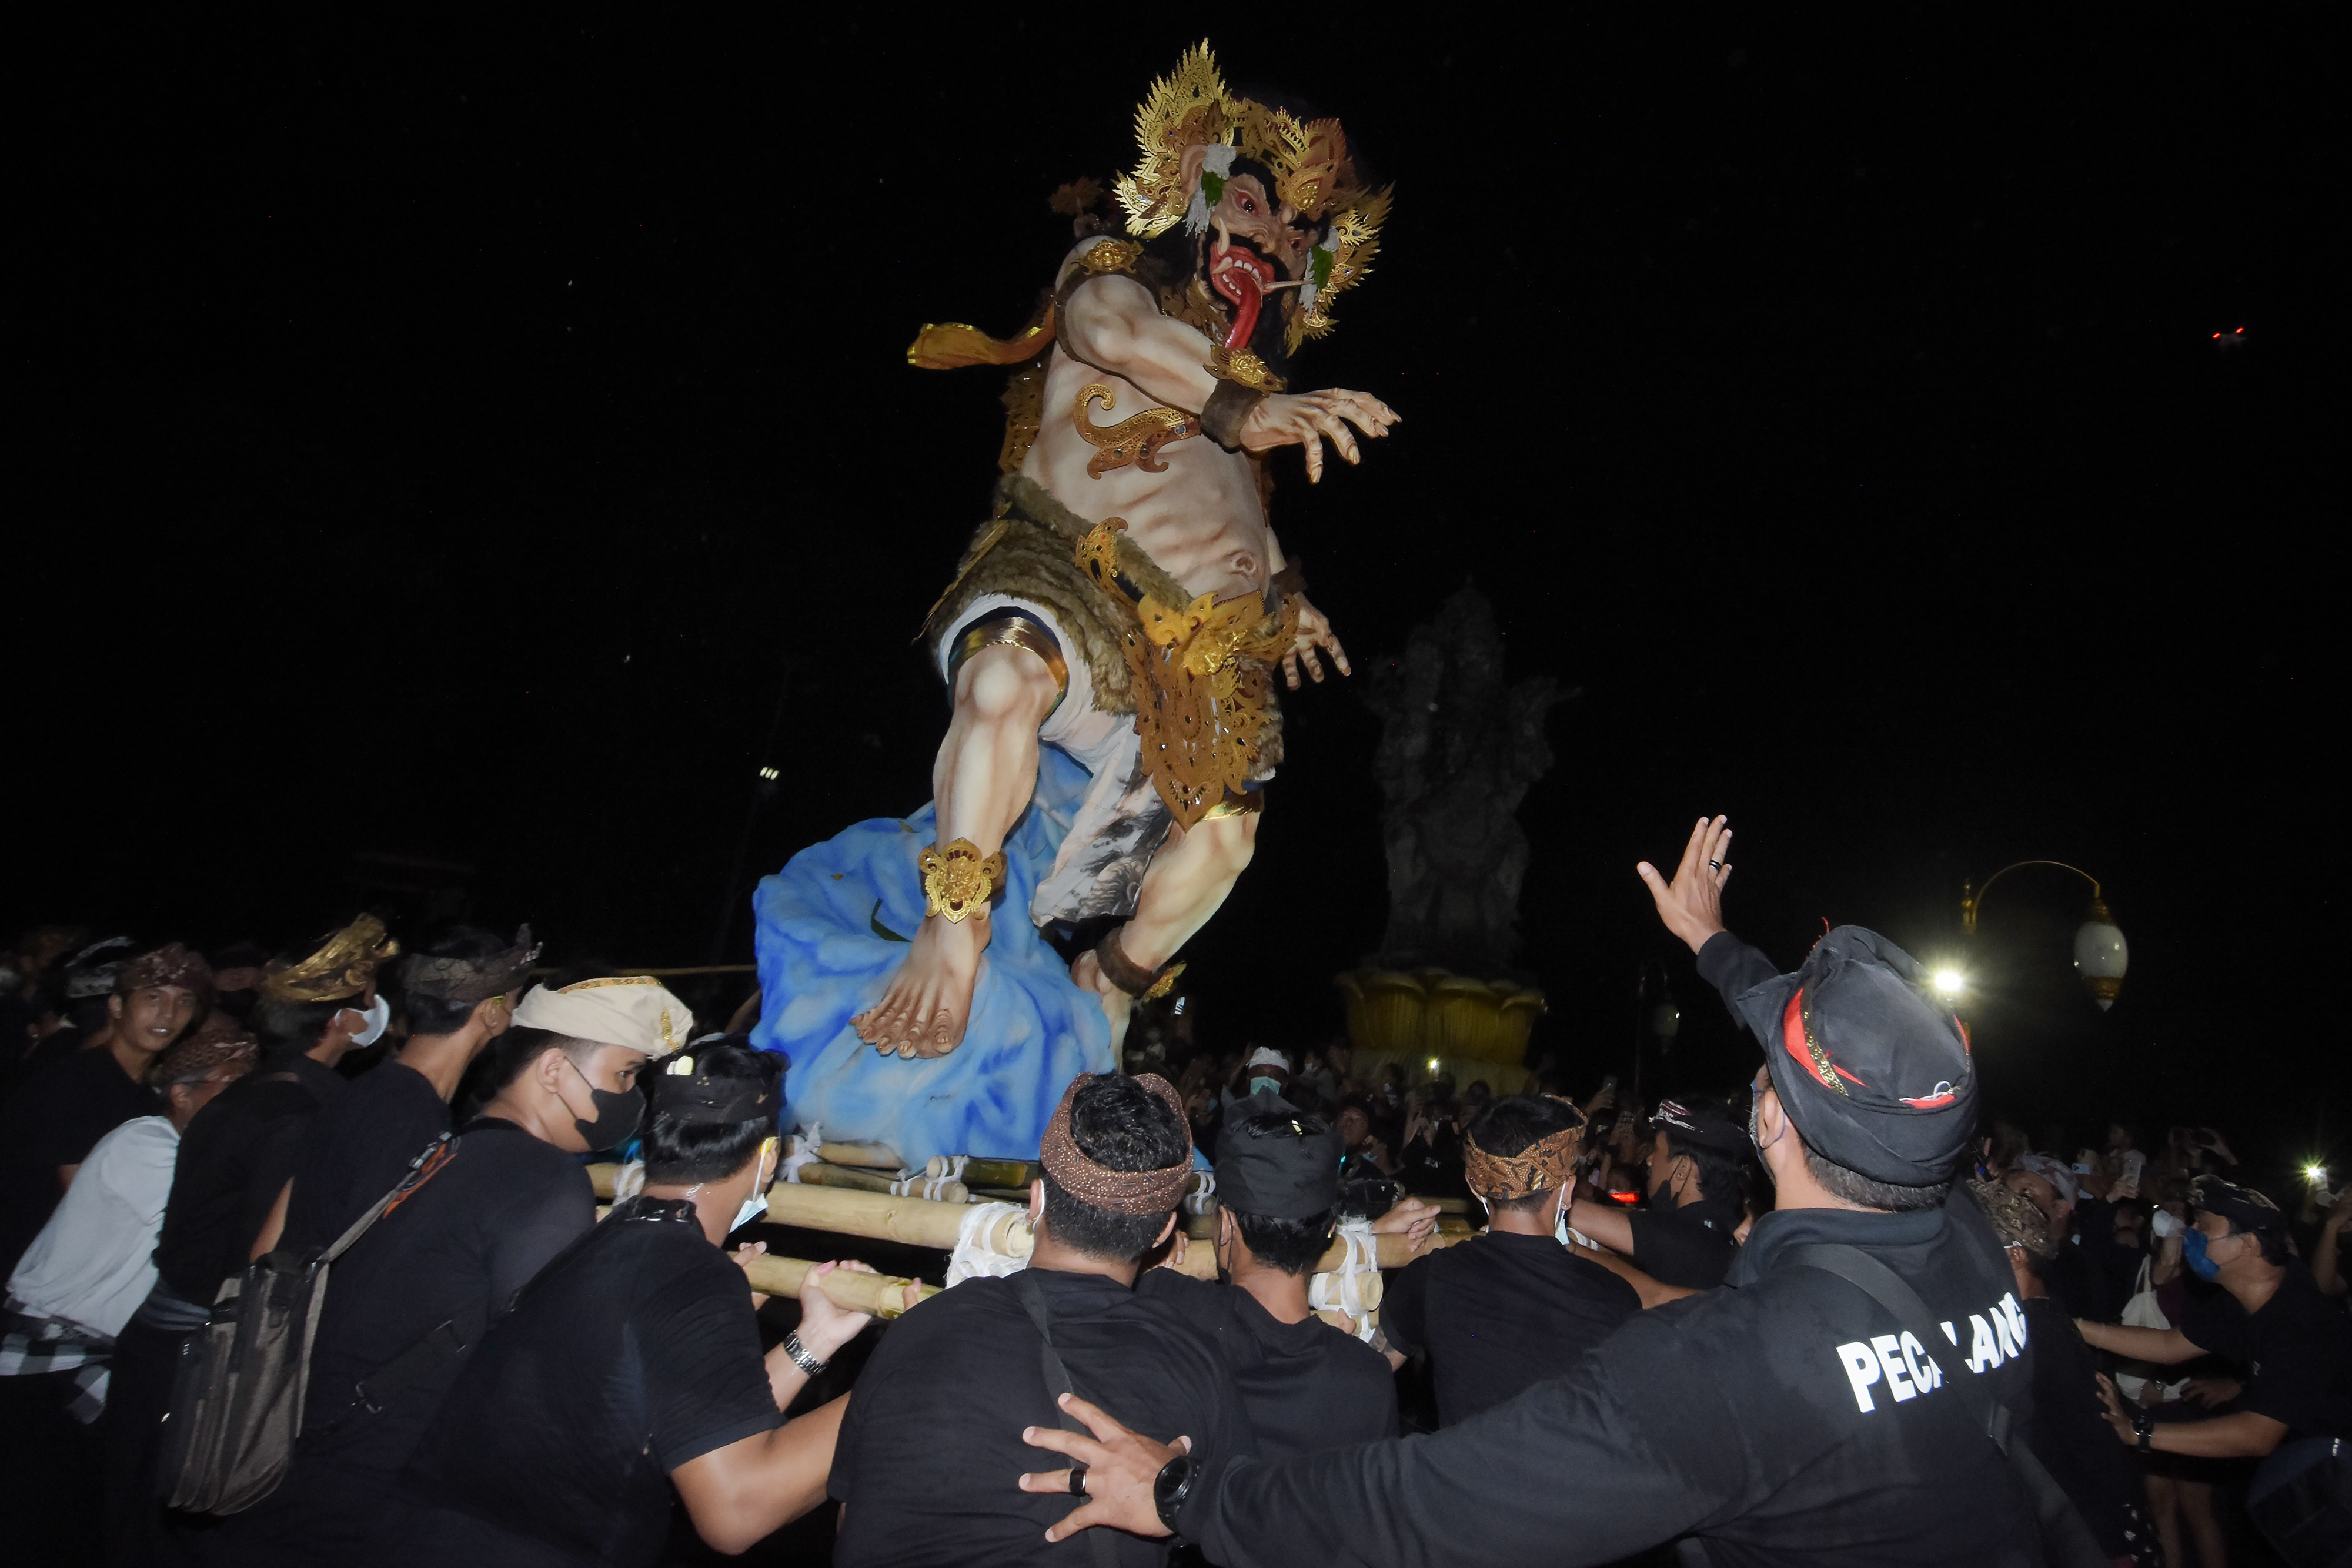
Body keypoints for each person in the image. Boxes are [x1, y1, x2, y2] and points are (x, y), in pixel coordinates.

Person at [1013, 814, 2056, 1567]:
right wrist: (1711, 943)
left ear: (1771, 1120)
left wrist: (1187, 1492)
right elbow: (1814, 1048)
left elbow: (1427, 1504)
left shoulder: (1729, 1370)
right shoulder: (1963, 1226)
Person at [756, 42, 1396, 1174]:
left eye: (1302, 234)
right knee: (1003, 677)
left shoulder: (1246, 398)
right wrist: (1244, 408)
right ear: (1198, 196)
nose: (1277, 242)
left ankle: (1107, 985)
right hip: (1075, 568)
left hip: (1200, 648)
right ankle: (952, 939)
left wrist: (1289, 598)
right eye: (1257, 205)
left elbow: (1236, 519)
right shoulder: (1118, 280)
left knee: (1228, 842)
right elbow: (1112, 340)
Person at [215, 973, 696, 1563]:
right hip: (376, 1505)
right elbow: (552, 1383)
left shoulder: (451, 1148)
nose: (632, 1097)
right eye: (624, 1074)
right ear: (552, 1072)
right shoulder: (545, 1181)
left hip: (308, 1464)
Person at [386, 1039, 882, 1566]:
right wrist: (893, 1383)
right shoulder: (690, 1272)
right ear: (767, 1158)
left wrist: (814, 1340)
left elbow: (686, 1432)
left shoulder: (606, 1240)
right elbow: (737, 1509)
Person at [831, 1071, 1251, 1566]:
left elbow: (851, 1520)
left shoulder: (918, 1328)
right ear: (1163, 1230)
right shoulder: (1195, 1361)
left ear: (1036, 1199)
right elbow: (1244, 1529)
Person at [102, 917, 402, 1568]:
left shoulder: (255, 1095)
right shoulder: (300, 1119)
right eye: (366, 1002)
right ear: (343, 1023)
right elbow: (262, 1267)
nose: (378, 1013)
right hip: (195, 1369)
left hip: (160, 1351)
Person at [1, 1022, 255, 1565]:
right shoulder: (147, 1142)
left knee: (75, 1523)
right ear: (182, 1093)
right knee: (33, 1522)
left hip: (99, 1359)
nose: (243, 1105)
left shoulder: (192, 1156)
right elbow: (210, 1229)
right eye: (228, 1086)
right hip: (50, 1356)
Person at [2080, 1176, 2352, 1562]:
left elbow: (2257, 1434)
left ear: (2248, 1243)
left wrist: (2138, 1432)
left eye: (2203, 1225)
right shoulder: (2246, 1295)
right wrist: (2076, 1327)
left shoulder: (2296, 1322)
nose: (2190, 1232)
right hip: (2318, 1467)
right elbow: (2172, 1345)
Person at [1138, 1101, 1398, 1457]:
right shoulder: (1367, 1378)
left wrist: (1158, 1248)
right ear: (1329, 1232)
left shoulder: (1168, 1305)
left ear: (1227, 1227)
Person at [271, 923, 536, 1254]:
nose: (515, 1016)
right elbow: (378, 1257)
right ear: (492, 1013)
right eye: (514, 1002)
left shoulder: (365, 1091)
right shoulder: (410, 1120)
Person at [1379, 1093, 1638, 1427]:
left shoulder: (1432, 1276)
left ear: (1474, 1186)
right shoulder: (1617, 1298)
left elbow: (1367, 1373)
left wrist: (1373, 1238)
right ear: (1568, 1190)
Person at [1971, 1176, 2159, 1566]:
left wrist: (2115, 1545)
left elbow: (2094, 1445)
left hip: (2090, 1531)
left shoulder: (2041, 1331)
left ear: (2015, 1257)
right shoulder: (2023, 1323)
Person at [0, 942, 211, 1279]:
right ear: (116, 1005)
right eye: (153, 998)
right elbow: (86, 1201)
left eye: (183, 1001)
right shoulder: (77, 1081)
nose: (168, 1015)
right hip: (29, 1281)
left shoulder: (148, 1097)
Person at [1568, 1095, 1749, 1290]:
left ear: (1683, 1169)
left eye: (1657, 1150)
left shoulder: (1680, 1236)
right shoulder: (1734, 1232)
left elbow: (1565, 1209)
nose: (1649, 1160)